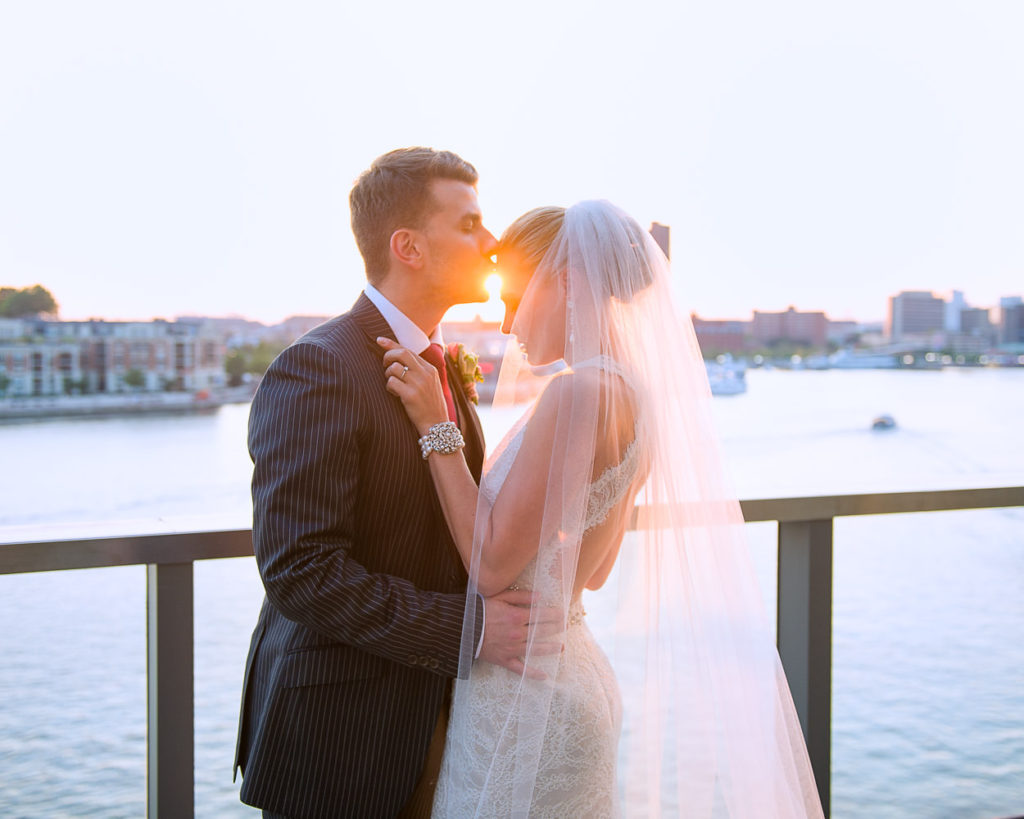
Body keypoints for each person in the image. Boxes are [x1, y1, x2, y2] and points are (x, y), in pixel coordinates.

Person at [380, 200, 825, 816]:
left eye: (514, 298)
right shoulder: (633, 395)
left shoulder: (576, 393)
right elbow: (593, 571)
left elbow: (491, 566)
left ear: (566, 280)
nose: (507, 325)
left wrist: (438, 427)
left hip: (524, 697)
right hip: (573, 676)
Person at [233, 147, 559, 819]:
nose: (492, 241)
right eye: (468, 223)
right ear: (408, 246)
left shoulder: (441, 364)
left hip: (440, 726)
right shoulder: (318, 368)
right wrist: (471, 630)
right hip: (342, 741)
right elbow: (299, 569)